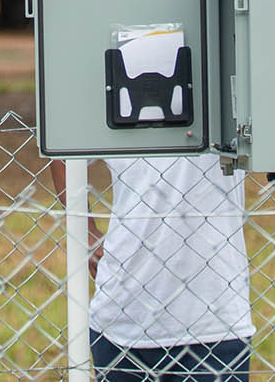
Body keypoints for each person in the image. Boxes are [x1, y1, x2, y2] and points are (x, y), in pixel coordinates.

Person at [51, 156, 254, 381]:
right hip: (121, 318)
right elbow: (63, 155)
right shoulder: (97, 118)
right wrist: (86, 231)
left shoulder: (230, 119)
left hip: (214, 319)